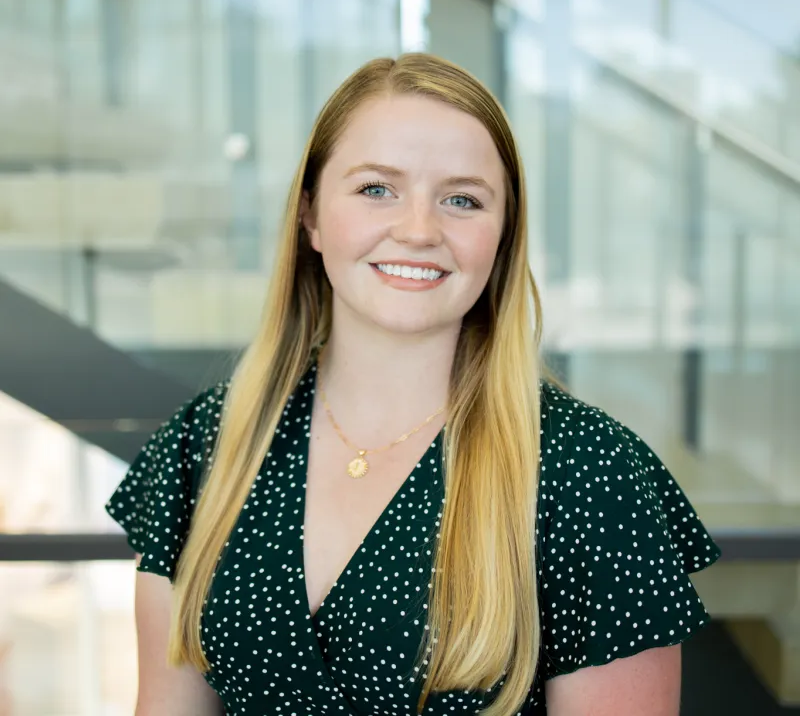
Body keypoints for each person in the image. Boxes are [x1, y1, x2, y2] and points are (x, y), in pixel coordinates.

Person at [105, 53, 721, 716]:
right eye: (377, 189)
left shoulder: (588, 472)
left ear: (503, 235)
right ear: (310, 216)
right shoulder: (209, 443)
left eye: (462, 199)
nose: (420, 230)